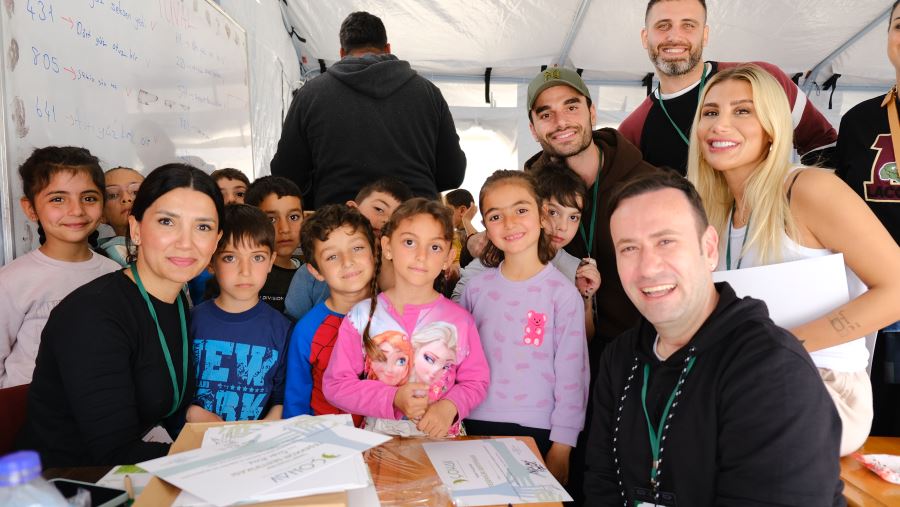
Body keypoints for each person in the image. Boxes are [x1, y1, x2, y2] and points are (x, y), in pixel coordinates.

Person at [584, 171, 844, 506]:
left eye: (666, 241)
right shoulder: (619, 357)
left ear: (709, 249)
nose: (647, 267)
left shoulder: (772, 370)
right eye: (629, 248)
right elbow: (601, 483)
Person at [687, 64, 900, 456]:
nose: (720, 124)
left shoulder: (809, 189)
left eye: (743, 110)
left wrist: (782, 347)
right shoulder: (713, 212)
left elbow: (897, 290)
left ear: (772, 126)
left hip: (820, 384)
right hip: (745, 381)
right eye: (711, 112)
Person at [18, 163, 224, 467]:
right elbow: (113, 453)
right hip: (67, 483)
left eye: (202, 227)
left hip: (130, 472)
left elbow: (157, 391)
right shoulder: (92, 315)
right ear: (136, 229)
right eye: (167, 222)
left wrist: (193, 415)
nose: (186, 242)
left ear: (217, 241)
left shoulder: (177, 299)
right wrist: (222, 459)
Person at [459, 170, 589, 487]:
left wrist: (562, 446)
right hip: (473, 423)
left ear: (542, 216)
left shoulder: (563, 294)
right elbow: (457, 359)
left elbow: (573, 376)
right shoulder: (475, 289)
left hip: (540, 431)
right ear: (485, 227)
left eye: (520, 210)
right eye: (495, 215)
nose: (510, 223)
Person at [324, 198, 489, 438]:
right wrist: (393, 398)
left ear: (448, 257)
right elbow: (336, 385)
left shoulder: (460, 321)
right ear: (388, 247)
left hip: (443, 443)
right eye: (410, 242)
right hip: (380, 441)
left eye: (434, 247)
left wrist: (449, 406)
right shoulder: (361, 317)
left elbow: (476, 382)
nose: (421, 256)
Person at [270, 11, 466, 208]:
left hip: (340, 225)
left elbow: (286, 175)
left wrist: (323, 196)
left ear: (341, 53)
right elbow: (453, 174)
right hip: (414, 222)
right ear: (387, 48)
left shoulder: (310, 95)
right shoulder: (428, 93)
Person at [523, 66, 658, 347]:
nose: (561, 122)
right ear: (533, 130)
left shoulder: (650, 184)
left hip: (640, 352)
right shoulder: (528, 193)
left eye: (571, 107)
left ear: (592, 112)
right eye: (546, 114)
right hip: (557, 356)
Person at [620, 0, 836, 175]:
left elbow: (823, 146)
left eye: (688, 25)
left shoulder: (763, 79)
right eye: (663, 25)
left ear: (704, 35)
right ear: (645, 37)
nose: (675, 36)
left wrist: (807, 205)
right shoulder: (632, 130)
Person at [0, 147, 119, 388]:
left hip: (95, 410)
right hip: (29, 413)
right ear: (31, 208)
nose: (76, 210)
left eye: (89, 198)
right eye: (57, 199)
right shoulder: (12, 280)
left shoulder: (113, 273)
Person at [835, 0, 900, 437]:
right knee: (882, 423)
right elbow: (840, 214)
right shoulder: (860, 121)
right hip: (882, 302)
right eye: (899, 26)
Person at [187, 205, 290, 422]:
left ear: (271, 261)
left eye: (258, 258)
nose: (246, 270)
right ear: (211, 262)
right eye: (230, 258)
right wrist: (193, 414)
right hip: (195, 444)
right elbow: (171, 395)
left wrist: (264, 429)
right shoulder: (191, 321)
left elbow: (281, 399)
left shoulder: (282, 329)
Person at [283, 204, 376, 421]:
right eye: (332, 257)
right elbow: (296, 402)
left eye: (357, 248)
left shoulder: (396, 314)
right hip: (330, 444)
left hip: (389, 440)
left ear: (375, 251)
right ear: (316, 271)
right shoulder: (307, 330)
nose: (348, 261)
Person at [283, 178, 410, 321]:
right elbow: (293, 325)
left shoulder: (403, 272)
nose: (386, 220)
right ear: (353, 208)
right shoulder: (310, 276)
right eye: (379, 209)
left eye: (395, 218)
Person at [245, 176, 303, 313]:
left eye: (293, 217)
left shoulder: (309, 274)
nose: (285, 228)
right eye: (271, 219)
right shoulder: (247, 275)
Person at [97, 166, 144, 266]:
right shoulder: (115, 252)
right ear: (101, 215)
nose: (126, 198)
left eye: (136, 192)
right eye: (113, 195)